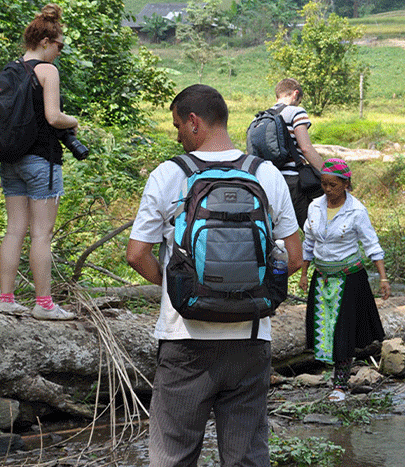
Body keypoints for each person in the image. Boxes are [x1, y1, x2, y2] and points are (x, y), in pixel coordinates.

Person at [126, 84, 302, 467]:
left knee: (173, 456)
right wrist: (252, 288)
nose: (176, 135)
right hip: (250, 338)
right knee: (247, 458)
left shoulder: (169, 174)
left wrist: (178, 285)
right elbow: (295, 256)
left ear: (194, 121)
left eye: (177, 125)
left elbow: (136, 254)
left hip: (184, 338)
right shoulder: (266, 173)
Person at [0, 3, 79, 320]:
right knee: (41, 233)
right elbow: (53, 116)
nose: (60, 51)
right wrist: (73, 121)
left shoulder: (11, 70)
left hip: (11, 160)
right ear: (46, 42)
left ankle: (6, 298)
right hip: (41, 161)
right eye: (59, 45)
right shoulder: (47, 71)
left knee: (14, 229)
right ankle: (44, 304)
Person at [299, 158, 390, 402]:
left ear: (346, 184)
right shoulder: (315, 207)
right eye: (324, 184)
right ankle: (333, 377)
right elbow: (309, 242)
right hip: (322, 278)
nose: (328, 190)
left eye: (333, 185)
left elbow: (371, 244)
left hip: (349, 279)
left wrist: (383, 278)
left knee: (343, 331)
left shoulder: (357, 211)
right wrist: (304, 274)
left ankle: (340, 385)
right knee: (323, 328)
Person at [271, 78, 324, 229]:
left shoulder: (261, 117)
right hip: (292, 181)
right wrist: (327, 173)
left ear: (277, 96)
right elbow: (306, 148)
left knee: (278, 232)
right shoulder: (296, 112)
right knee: (313, 230)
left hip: (269, 180)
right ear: (295, 94)